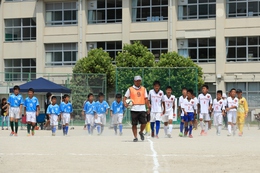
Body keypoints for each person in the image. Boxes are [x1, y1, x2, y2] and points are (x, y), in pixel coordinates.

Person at [124, 76, 150, 142]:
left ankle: (141, 132)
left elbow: (146, 99)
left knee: (144, 123)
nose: (138, 82)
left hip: (142, 108)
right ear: (134, 81)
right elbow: (125, 97)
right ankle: (135, 137)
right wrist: (125, 103)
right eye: (137, 81)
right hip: (134, 108)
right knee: (134, 124)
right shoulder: (130, 89)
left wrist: (148, 106)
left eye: (139, 80)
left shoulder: (144, 89)